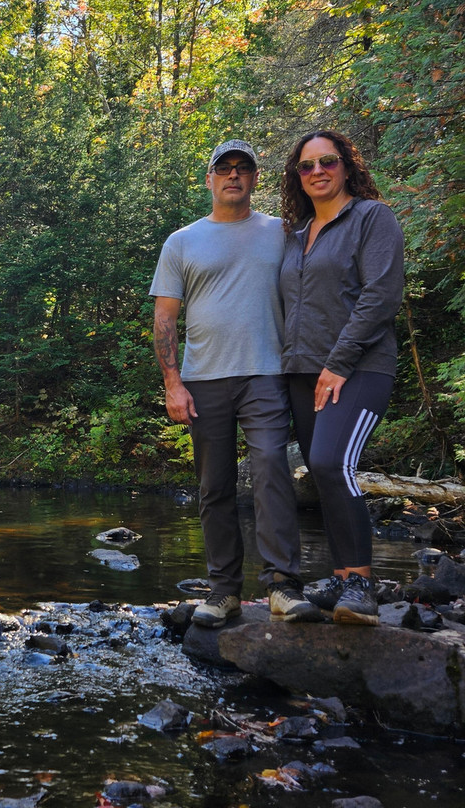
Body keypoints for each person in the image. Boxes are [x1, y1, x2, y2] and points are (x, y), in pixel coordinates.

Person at [151, 139, 323, 628]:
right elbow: (165, 319)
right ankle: (224, 590)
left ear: (253, 178)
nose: (232, 175)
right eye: (223, 168)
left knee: (271, 468)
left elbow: (315, 289)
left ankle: (282, 587)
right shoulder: (182, 241)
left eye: (242, 169)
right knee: (214, 486)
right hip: (203, 379)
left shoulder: (283, 231)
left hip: (267, 374)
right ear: (209, 179)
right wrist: (172, 383)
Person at [279, 130, 405, 626]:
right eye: (306, 166)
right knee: (320, 471)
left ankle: (361, 584)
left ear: (347, 166)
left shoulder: (372, 218)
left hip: (358, 369)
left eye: (326, 162)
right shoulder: (295, 235)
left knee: (334, 463)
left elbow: (381, 296)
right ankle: (339, 574)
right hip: (302, 372)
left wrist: (339, 362)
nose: (317, 172)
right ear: (298, 177)